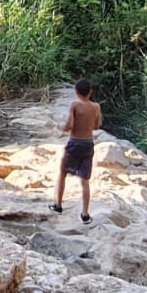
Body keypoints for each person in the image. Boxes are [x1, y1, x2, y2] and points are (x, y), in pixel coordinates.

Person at [51, 78, 101, 223]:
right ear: (90, 92)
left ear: (76, 92)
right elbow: (97, 126)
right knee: (85, 180)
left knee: (63, 173)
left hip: (74, 142)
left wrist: (62, 127)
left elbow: (69, 125)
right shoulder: (96, 106)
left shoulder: (75, 105)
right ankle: (85, 214)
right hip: (88, 144)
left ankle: (58, 205)